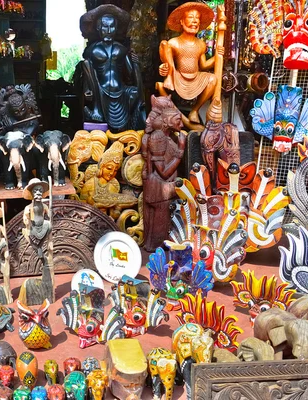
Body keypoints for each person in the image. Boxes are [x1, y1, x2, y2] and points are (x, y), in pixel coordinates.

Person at [78, 4, 145, 131]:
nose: (108, 31)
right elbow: (87, 74)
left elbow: (131, 74)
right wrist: (88, 89)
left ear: (116, 28)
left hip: (120, 91)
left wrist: (135, 64)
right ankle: (96, 110)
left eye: (112, 27)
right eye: (105, 27)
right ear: (99, 28)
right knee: (86, 64)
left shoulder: (121, 49)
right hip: (100, 91)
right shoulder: (92, 50)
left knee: (134, 94)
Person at [158, 2, 223, 124]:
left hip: (195, 78)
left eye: (197, 18)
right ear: (182, 21)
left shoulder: (201, 44)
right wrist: (163, 68)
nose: (195, 21)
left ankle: (195, 110)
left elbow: (203, 66)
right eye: (191, 17)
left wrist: (217, 57)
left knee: (213, 79)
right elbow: (166, 61)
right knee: (164, 45)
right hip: (178, 77)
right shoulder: (174, 43)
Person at [141, 95, 185, 251]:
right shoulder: (158, 137)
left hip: (163, 187)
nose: (181, 124)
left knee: (161, 223)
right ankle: (156, 246)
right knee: (159, 224)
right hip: (159, 189)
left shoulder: (168, 137)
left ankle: (155, 244)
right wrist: (180, 151)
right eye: (177, 121)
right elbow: (164, 172)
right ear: (166, 122)